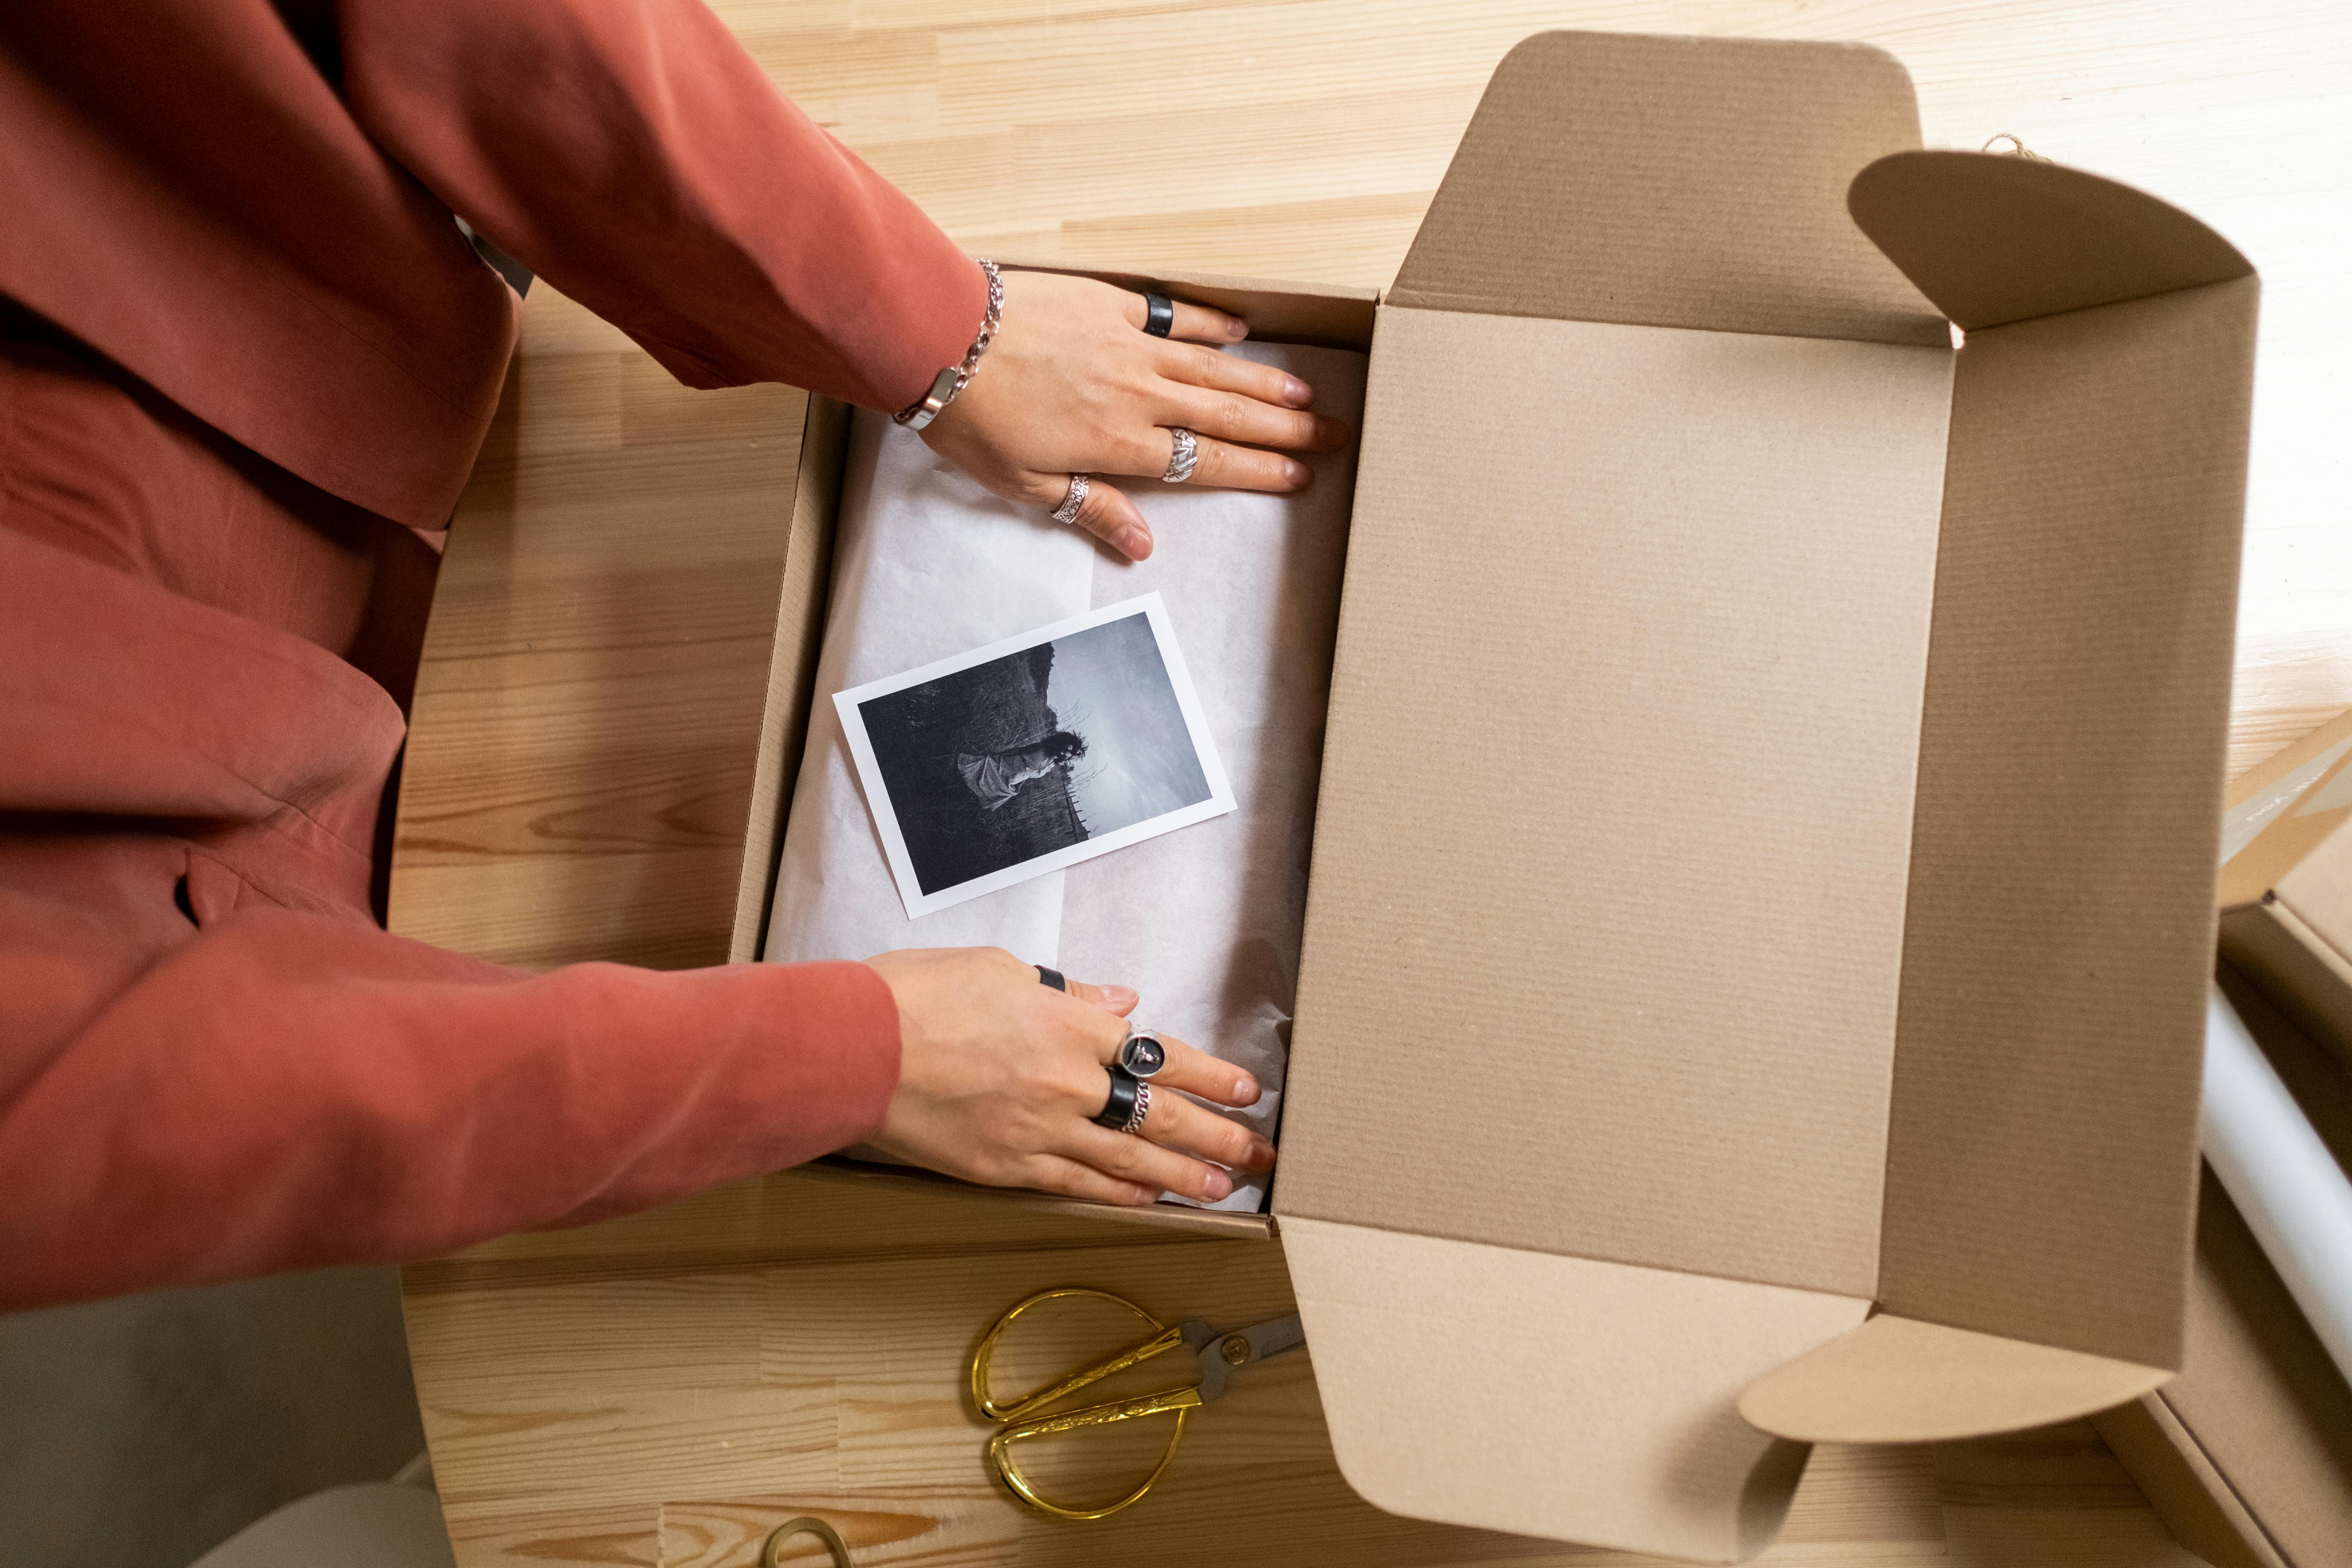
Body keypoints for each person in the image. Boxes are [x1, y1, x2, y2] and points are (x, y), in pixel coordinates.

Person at [0, 0, 1346, 1310]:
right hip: (235, 908)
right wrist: (851, 1061)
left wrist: (928, 322)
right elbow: (142, 1121)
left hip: (336, 344)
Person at [957, 733, 1088, 812]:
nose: (1067, 757)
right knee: (974, 777)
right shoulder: (1041, 748)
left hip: (1011, 780)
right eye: (1068, 753)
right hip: (1003, 767)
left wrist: (1018, 785)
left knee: (980, 794)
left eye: (1070, 757)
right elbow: (1018, 750)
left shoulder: (1052, 763)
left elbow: (1031, 773)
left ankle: (963, 799)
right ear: (1062, 746)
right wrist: (996, 755)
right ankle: (957, 783)